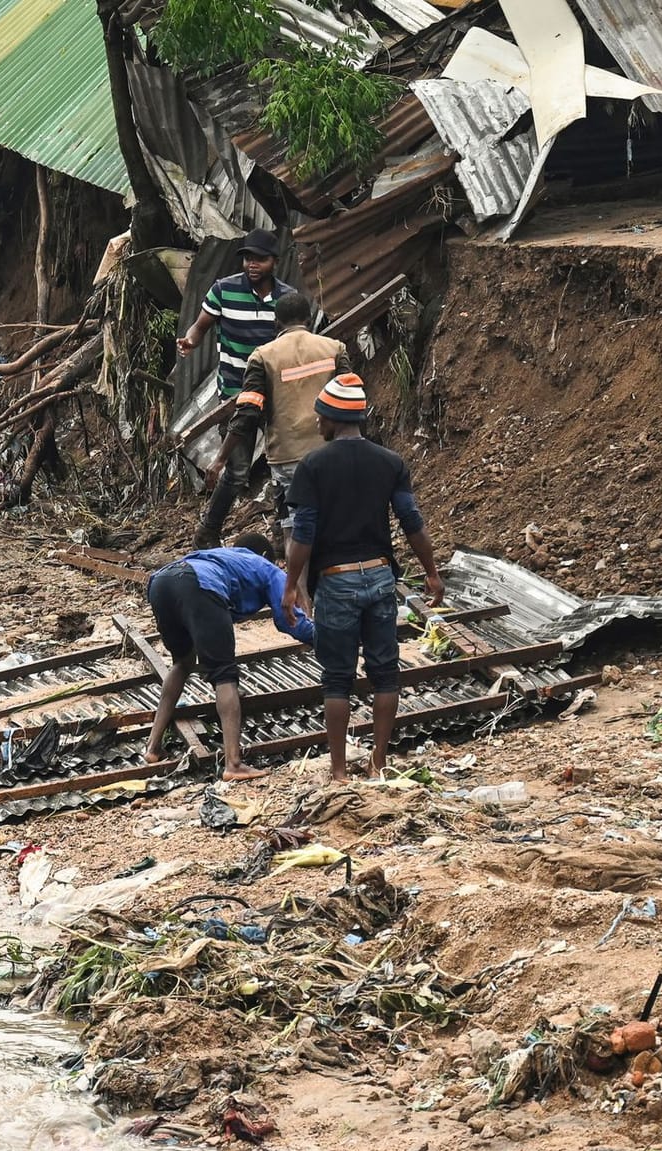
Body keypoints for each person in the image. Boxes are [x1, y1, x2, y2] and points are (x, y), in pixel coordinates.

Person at [282, 374, 443, 781]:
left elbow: (304, 534)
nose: (317, 424)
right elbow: (411, 521)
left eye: (320, 416)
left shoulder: (313, 465)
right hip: (380, 577)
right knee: (384, 672)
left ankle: (338, 772)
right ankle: (378, 764)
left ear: (332, 419)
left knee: (337, 679)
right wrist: (431, 573)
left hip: (336, 581)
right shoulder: (389, 462)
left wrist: (291, 586)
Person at [143, 532, 316, 782]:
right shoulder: (265, 566)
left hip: (161, 582)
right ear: (266, 555)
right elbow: (291, 621)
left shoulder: (222, 557)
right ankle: (234, 764)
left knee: (182, 663)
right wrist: (327, 637)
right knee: (225, 674)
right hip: (198, 584)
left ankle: (152, 748)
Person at [196, 291, 349, 548]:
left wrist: (221, 458)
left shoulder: (262, 357)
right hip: (332, 451)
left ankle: (297, 585)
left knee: (295, 528)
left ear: (276, 323)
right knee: (336, 519)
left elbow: (248, 413)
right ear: (309, 320)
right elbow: (351, 398)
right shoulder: (334, 348)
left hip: (288, 455)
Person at [176, 228, 297, 405]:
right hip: (234, 396)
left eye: (261, 259)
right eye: (248, 258)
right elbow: (199, 327)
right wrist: (190, 341)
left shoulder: (288, 299)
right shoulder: (223, 291)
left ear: (276, 262)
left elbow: (295, 344)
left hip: (275, 394)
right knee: (235, 433)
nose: (252, 265)